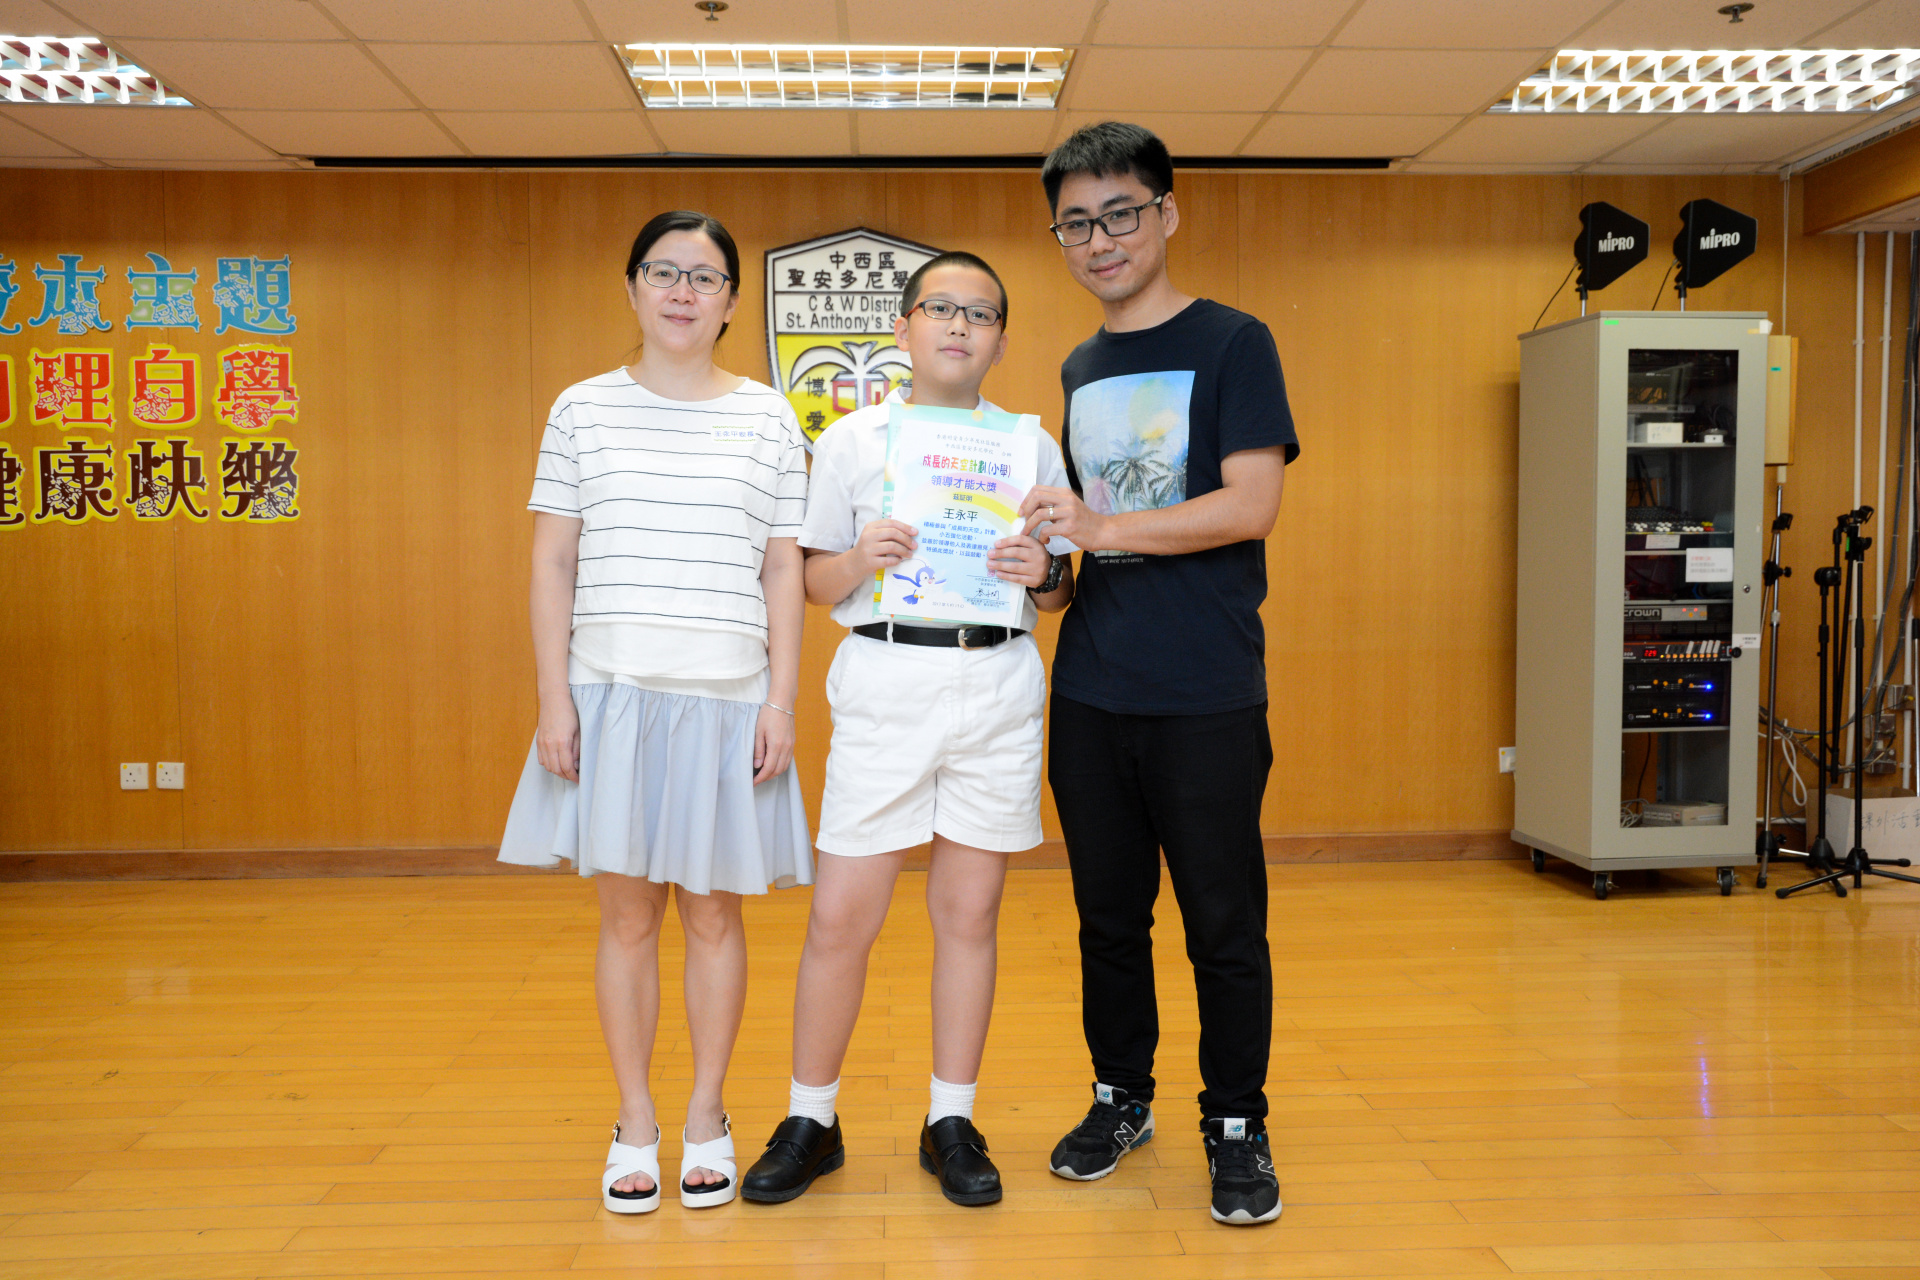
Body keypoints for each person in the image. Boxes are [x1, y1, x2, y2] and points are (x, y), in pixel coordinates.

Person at [741, 252, 1075, 1207]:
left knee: (968, 914)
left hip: (997, 681)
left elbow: (1060, 589)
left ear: (1001, 339)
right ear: (903, 327)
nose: (959, 326)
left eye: (981, 313)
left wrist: (1042, 574)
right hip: (887, 676)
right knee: (842, 916)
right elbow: (812, 581)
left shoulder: (1029, 446)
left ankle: (951, 1120)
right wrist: (860, 556)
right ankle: (812, 1118)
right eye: (940, 308)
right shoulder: (854, 440)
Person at [498, 210, 813, 1215]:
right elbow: (552, 558)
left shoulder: (768, 417)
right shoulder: (581, 408)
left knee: (714, 913)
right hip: (612, 696)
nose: (683, 291)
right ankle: (635, 1119)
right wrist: (555, 696)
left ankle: (707, 1114)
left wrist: (780, 700)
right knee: (629, 916)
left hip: (729, 700)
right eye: (664, 271)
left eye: (705, 276)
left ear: (730, 302)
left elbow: (782, 568)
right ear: (633, 286)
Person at [1019, 122, 1298, 1226]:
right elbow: (1082, 551)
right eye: (1076, 224)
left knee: (1222, 922)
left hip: (1206, 690)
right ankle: (1120, 1096)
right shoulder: (1080, 367)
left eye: (1120, 213)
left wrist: (1099, 526)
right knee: (1106, 918)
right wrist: (1049, 569)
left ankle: (1235, 1122)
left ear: (1167, 213)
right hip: (1093, 688)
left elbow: (1251, 503)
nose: (1100, 240)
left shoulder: (1235, 342)